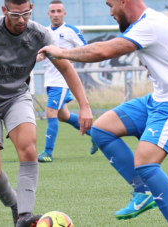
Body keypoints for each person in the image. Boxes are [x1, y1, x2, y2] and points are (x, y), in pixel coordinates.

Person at [39, 0, 168, 226]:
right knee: (101, 129)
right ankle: (143, 192)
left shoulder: (150, 25)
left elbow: (103, 50)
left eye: (111, 5)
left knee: (145, 163)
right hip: (159, 98)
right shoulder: (158, 20)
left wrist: (61, 52)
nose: (110, 13)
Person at [0, 0, 92, 227]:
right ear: (4, 10)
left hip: (16, 98)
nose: (21, 20)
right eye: (15, 15)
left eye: (26, 13)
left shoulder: (41, 35)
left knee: (28, 147)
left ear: (32, 8)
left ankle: (25, 215)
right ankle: (15, 202)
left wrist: (84, 106)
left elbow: (66, 67)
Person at [37, 0, 98, 163]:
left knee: (50, 112)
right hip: (50, 80)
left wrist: (66, 57)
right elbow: (40, 53)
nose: (56, 14)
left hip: (61, 80)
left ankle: (47, 153)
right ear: (48, 14)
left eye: (59, 11)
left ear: (64, 14)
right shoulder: (44, 32)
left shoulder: (71, 31)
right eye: (53, 11)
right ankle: (98, 135)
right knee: (63, 116)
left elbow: (86, 51)